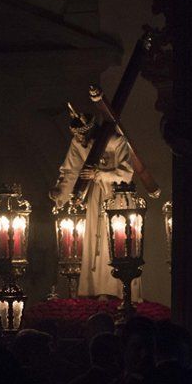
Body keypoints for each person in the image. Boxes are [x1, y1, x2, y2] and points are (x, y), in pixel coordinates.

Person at [50, 104, 140, 299]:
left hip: (118, 199)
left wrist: (99, 174)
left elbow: (126, 173)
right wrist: (60, 191)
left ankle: (120, 290)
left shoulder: (116, 142)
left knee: (115, 243)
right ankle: (97, 289)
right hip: (96, 199)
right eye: (77, 137)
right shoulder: (78, 143)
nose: (80, 140)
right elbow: (71, 171)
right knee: (95, 242)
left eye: (83, 136)